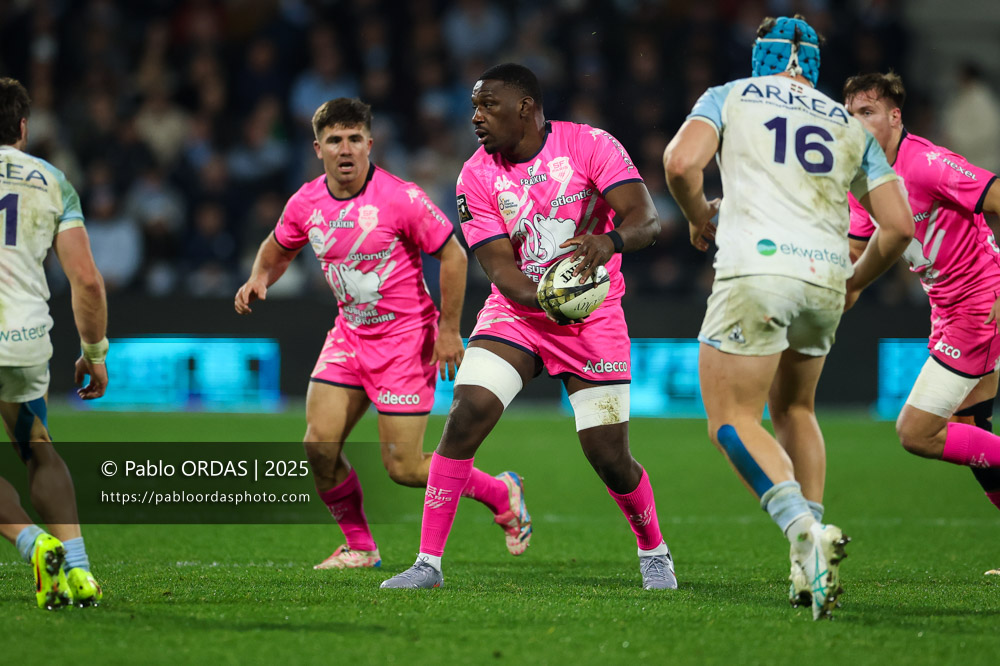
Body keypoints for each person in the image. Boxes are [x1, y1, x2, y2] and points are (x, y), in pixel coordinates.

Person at [381, 63, 675, 591]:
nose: (475, 117)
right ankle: (428, 563)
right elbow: (499, 270)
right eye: (474, 107)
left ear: (525, 107)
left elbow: (645, 219)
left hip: (594, 319)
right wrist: (551, 297)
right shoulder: (475, 174)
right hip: (519, 314)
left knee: (608, 455)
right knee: (466, 413)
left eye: (487, 105)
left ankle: (654, 550)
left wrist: (608, 244)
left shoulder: (590, 145)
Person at [663, 16, 914, 619]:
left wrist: (699, 216)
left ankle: (800, 527)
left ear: (759, 57)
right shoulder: (844, 120)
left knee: (730, 419)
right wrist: (855, 283)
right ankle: (807, 566)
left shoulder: (730, 96)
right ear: (815, 67)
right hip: (825, 278)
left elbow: (679, 164)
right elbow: (899, 226)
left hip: (757, 271)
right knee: (795, 409)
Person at [235, 98, 527, 570]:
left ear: (370, 144)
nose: (345, 149)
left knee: (405, 469)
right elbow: (278, 244)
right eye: (335, 140)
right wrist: (258, 278)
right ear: (318, 148)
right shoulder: (305, 202)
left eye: (354, 139)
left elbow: (452, 255)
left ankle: (500, 491)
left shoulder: (400, 198)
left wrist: (449, 330)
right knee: (318, 446)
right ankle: (359, 546)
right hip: (349, 339)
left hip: (406, 343)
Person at [843, 72, 1000, 575]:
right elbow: (858, 254)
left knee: (917, 432)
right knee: (973, 433)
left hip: (979, 305)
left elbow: (996, 194)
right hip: (947, 310)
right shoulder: (862, 180)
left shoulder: (927, 164)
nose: (856, 123)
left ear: (895, 117)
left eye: (867, 112)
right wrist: (836, 288)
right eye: (850, 114)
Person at [0, 77, 108, 609]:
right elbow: (86, 280)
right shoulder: (52, 181)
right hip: (23, 340)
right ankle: (80, 570)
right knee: (37, 449)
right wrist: (94, 354)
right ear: (22, 127)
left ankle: (33, 542)